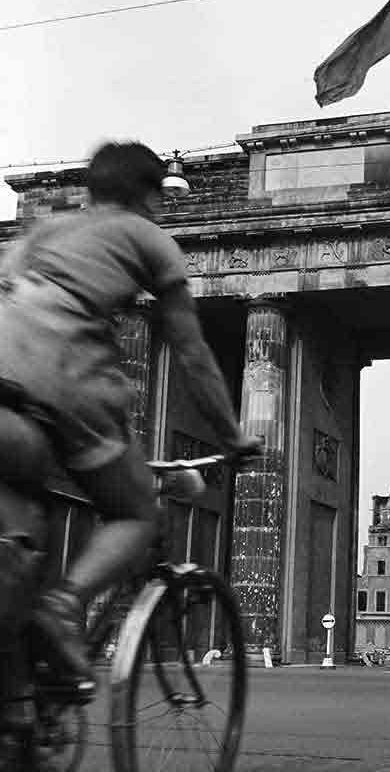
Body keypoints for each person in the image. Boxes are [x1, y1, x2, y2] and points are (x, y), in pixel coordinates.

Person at [0, 141, 260, 694]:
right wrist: (232, 434)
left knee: (32, 518)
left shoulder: (42, 233)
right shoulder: (148, 236)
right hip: (58, 383)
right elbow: (191, 352)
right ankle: (63, 605)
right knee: (134, 512)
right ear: (152, 196)